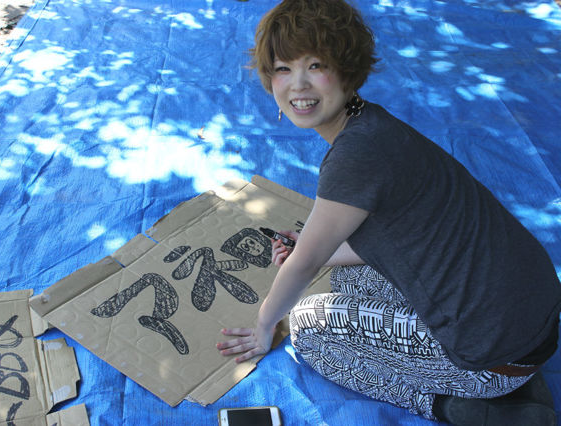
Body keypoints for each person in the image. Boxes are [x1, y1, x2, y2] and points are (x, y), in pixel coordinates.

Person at [215, 0, 561, 424]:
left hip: (490, 356)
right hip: (530, 321)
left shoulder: (355, 157)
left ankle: (462, 405)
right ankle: (517, 379)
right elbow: (385, 239)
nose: (298, 85)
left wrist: (264, 325)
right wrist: (308, 247)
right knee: (346, 277)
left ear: (347, 69)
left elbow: (304, 265)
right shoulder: (374, 126)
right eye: (283, 68)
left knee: (306, 328)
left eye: (315, 65)